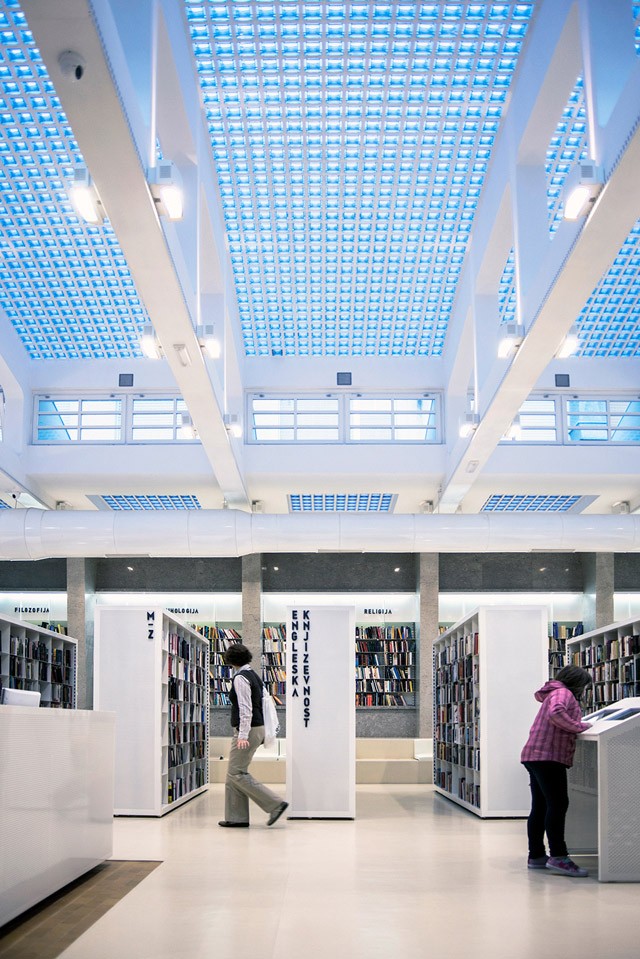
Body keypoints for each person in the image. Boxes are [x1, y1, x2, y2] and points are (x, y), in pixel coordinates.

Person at [520, 664, 592, 877]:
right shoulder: (563, 693)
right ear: (577, 682)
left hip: (535, 756)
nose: (584, 690)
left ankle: (536, 855)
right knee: (558, 804)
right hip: (548, 756)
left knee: (540, 806)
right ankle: (559, 856)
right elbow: (557, 713)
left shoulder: (553, 692)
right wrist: (579, 727)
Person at [218, 642, 288, 828]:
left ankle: (275, 804)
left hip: (248, 730)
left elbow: (245, 708)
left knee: (236, 773)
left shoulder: (240, 678)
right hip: (257, 728)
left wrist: (242, 735)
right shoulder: (253, 675)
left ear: (230, 660)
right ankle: (236, 817)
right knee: (234, 774)